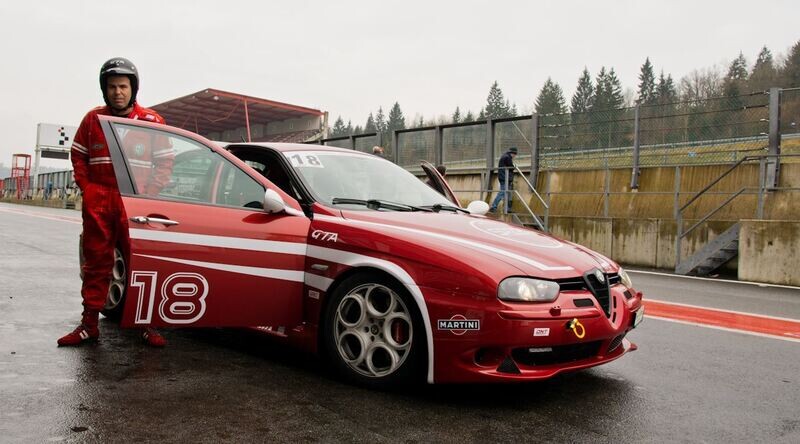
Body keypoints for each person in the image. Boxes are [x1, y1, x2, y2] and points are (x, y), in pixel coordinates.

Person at [58, 57, 171, 347]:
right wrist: (88, 189)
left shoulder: (151, 122)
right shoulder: (93, 119)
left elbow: (165, 164)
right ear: (104, 89)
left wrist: (148, 195)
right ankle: (88, 325)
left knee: (142, 262)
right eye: (112, 87)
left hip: (136, 203)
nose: (117, 92)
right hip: (100, 200)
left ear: (133, 88)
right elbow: (79, 155)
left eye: (123, 86)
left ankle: (148, 325)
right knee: (97, 262)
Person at [489, 146, 517, 213]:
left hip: (505, 178)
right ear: (513, 153)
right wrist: (514, 167)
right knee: (503, 192)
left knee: (508, 193)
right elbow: (511, 167)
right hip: (505, 178)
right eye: (515, 155)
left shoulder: (505, 156)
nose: (515, 156)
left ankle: (508, 209)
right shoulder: (507, 157)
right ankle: (493, 206)